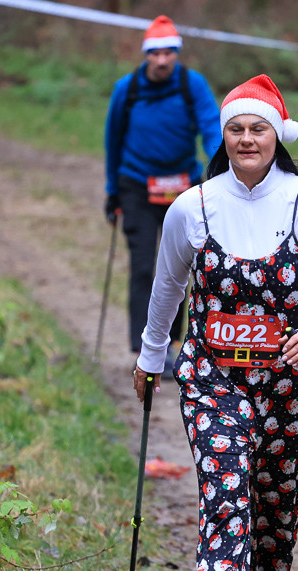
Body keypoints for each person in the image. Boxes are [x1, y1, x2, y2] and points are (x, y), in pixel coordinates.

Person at [132, 74, 298, 571]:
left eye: (259, 129)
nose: (247, 139)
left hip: (288, 377)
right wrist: (151, 359)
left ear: (278, 135)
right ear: (222, 135)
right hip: (212, 375)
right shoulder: (193, 207)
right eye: (236, 129)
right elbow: (167, 287)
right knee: (226, 490)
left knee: (276, 496)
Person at [104, 15, 222, 374]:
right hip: (136, 186)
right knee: (143, 268)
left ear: (176, 54)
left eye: (168, 52)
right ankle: (144, 347)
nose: (161, 60)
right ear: (146, 54)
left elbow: (210, 128)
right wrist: (113, 192)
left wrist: (220, 172)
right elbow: (113, 140)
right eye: (155, 53)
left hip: (181, 188)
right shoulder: (128, 89)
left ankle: (169, 346)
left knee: (177, 270)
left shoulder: (192, 85)